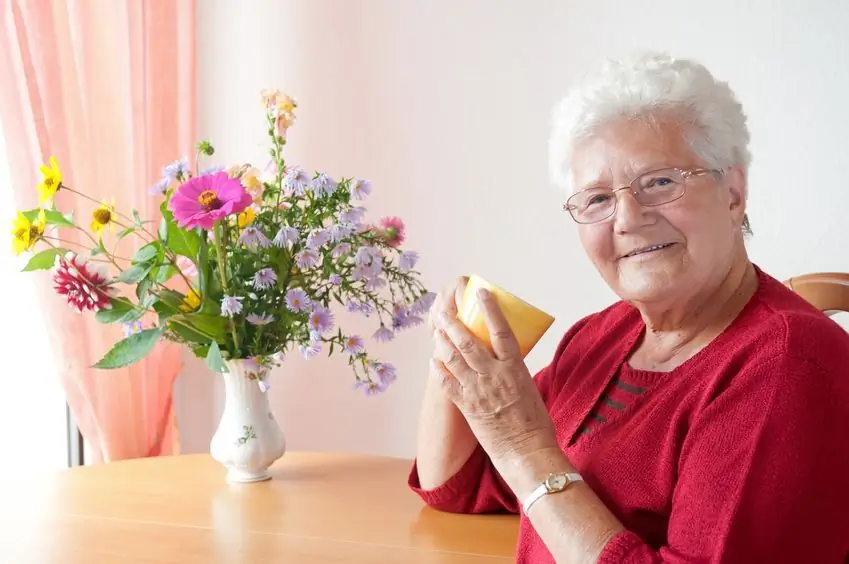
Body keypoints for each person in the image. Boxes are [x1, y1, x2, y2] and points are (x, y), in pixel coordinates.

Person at [407, 52, 849, 563]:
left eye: (660, 182)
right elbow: (460, 487)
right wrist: (457, 343)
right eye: (596, 199)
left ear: (733, 191)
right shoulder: (602, 337)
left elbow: (525, 461)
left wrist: (524, 447)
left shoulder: (785, 367)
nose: (628, 219)